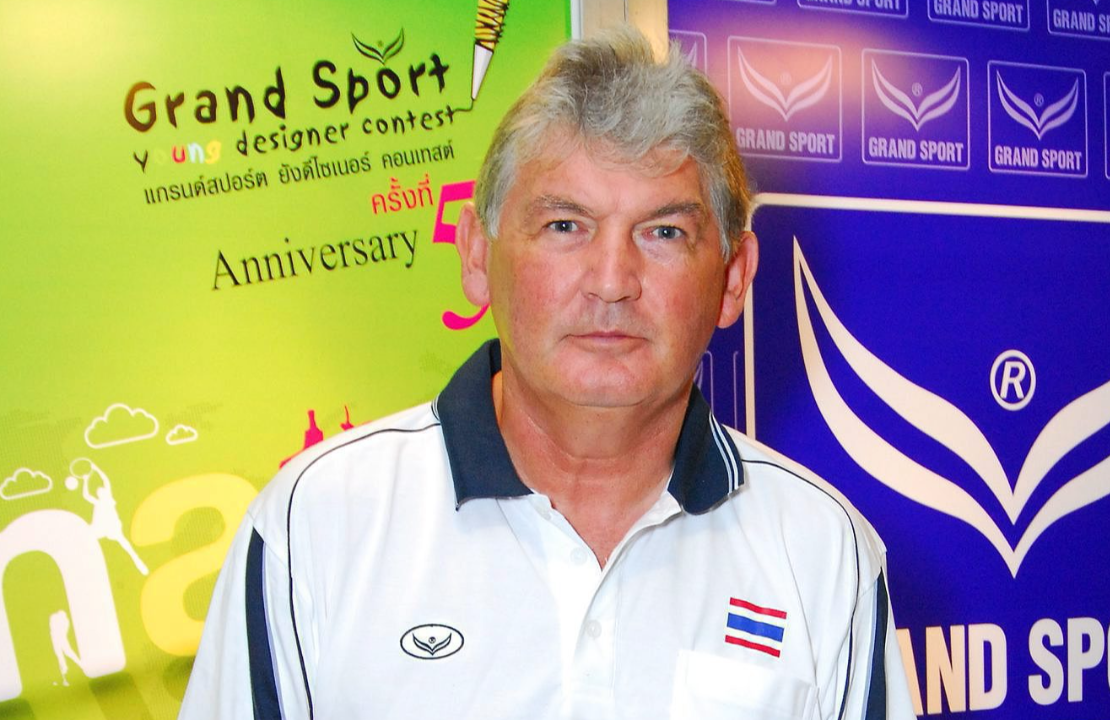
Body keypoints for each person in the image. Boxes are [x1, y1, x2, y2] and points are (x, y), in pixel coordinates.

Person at [180, 27, 916, 720]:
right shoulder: (316, 526)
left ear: (733, 280)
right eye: (565, 225)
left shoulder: (823, 552)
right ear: (477, 256)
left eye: (664, 232)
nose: (612, 282)